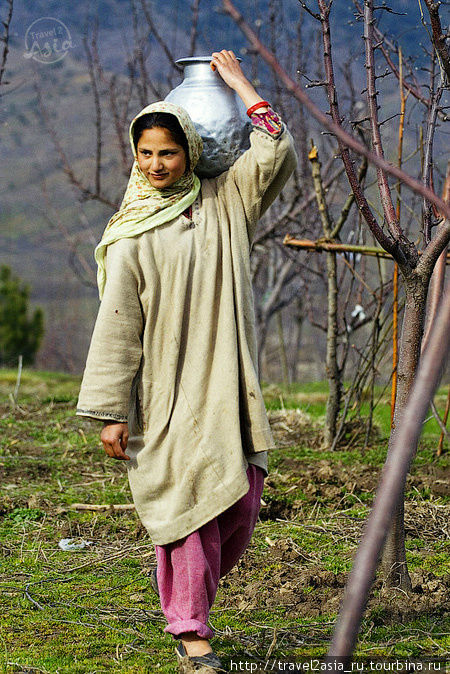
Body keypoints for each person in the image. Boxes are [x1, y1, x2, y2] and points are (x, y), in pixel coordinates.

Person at [77, 50, 297, 673]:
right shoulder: (131, 234)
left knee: (241, 504)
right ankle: (190, 632)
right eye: (145, 154)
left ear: (190, 152)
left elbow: (273, 153)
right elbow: (117, 330)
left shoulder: (225, 202)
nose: (154, 166)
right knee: (190, 516)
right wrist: (110, 413)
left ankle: (188, 604)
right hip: (168, 395)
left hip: (227, 385)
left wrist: (240, 85)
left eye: (167, 153)